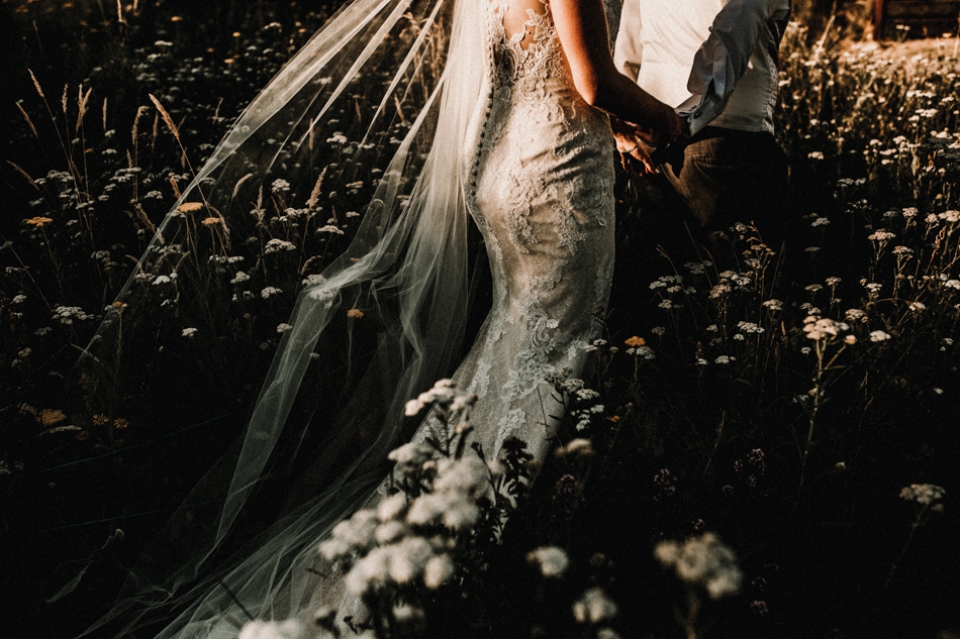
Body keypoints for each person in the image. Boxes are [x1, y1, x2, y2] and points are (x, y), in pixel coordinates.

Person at [78, 0, 679, 636]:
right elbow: (592, 81)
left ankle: (449, 507)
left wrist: (611, 126)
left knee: (511, 346)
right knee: (557, 348)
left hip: (506, 169)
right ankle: (506, 538)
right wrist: (662, 118)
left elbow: (530, 69)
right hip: (558, 177)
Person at [612, 0, 793, 262]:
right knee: (742, 274)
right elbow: (734, 32)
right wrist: (684, 117)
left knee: (674, 273)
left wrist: (626, 121)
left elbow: (628, 42)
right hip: (720, 136)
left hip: (649, 131)